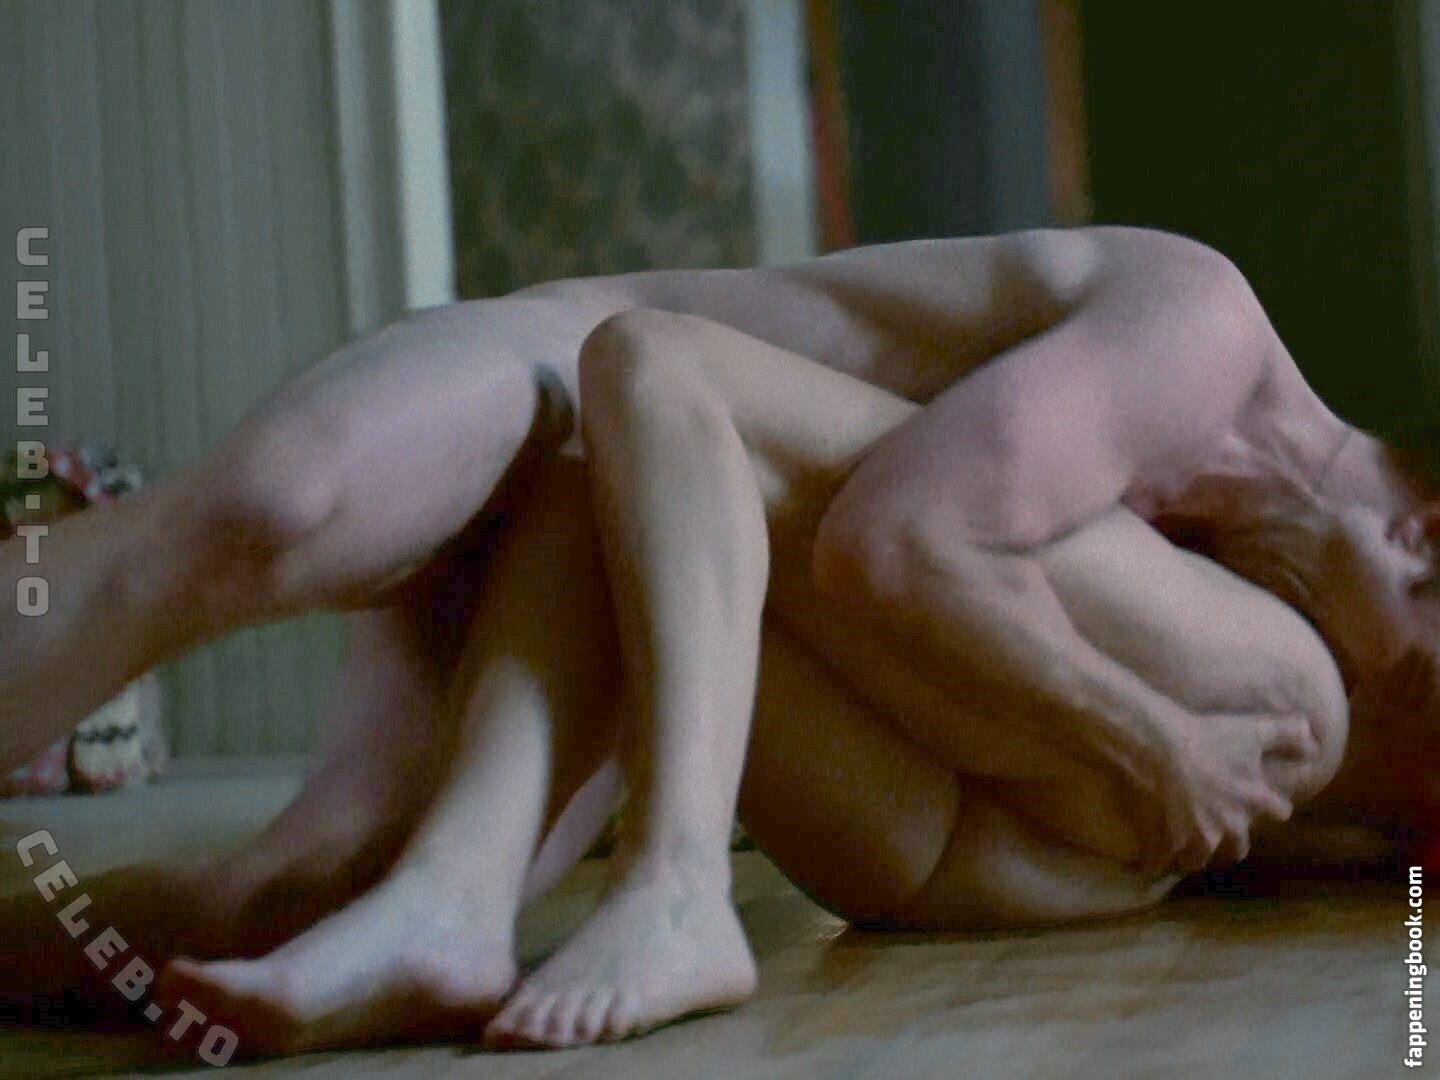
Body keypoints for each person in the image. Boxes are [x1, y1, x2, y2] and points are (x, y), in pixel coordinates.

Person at [3, 225, 1437, 1044]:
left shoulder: (1272, 591)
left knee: (295, 900)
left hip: (630, 531)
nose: (1386, 694)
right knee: (269, 510)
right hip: (580, 369)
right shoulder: (1204, 339)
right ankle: (654, 885)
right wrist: (1151, 736)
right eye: (1422, 676)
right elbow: (893, 544)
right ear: (1426, 540)